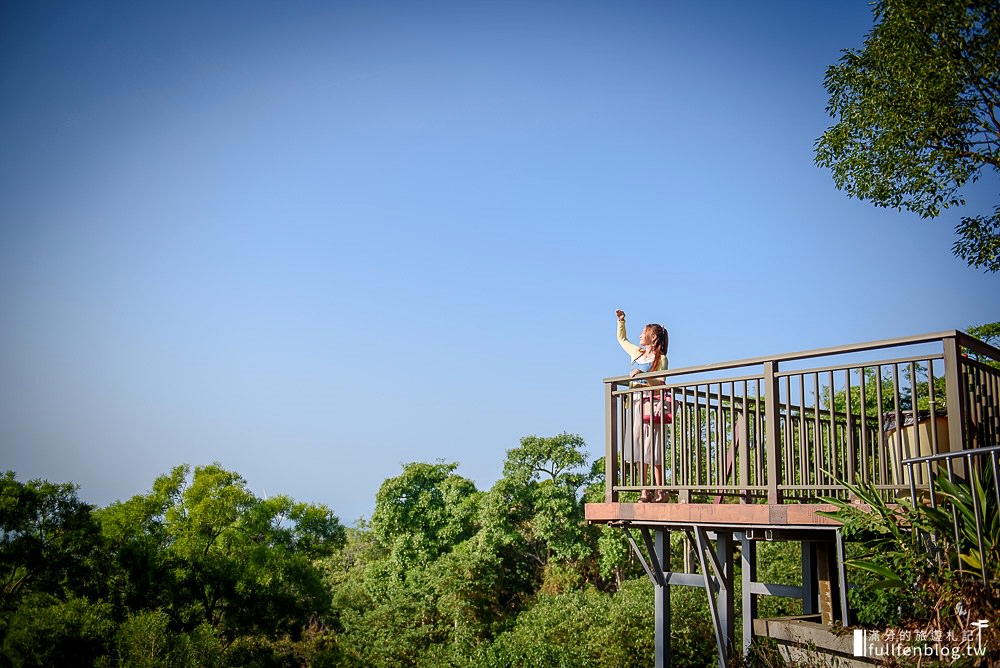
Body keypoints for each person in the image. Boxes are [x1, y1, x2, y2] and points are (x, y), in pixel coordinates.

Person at [615, 309, 669, 502]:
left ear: (652, 337)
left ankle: (661, 491)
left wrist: (644, 377)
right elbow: (622, 340)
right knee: (638, 448)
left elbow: (661, 384)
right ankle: (644, 491)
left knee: (653, 449)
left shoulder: (661, 359)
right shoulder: (637, 353)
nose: (639, 335)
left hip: (652, 405)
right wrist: (621, 321)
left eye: (643, 332)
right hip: (636, 403)